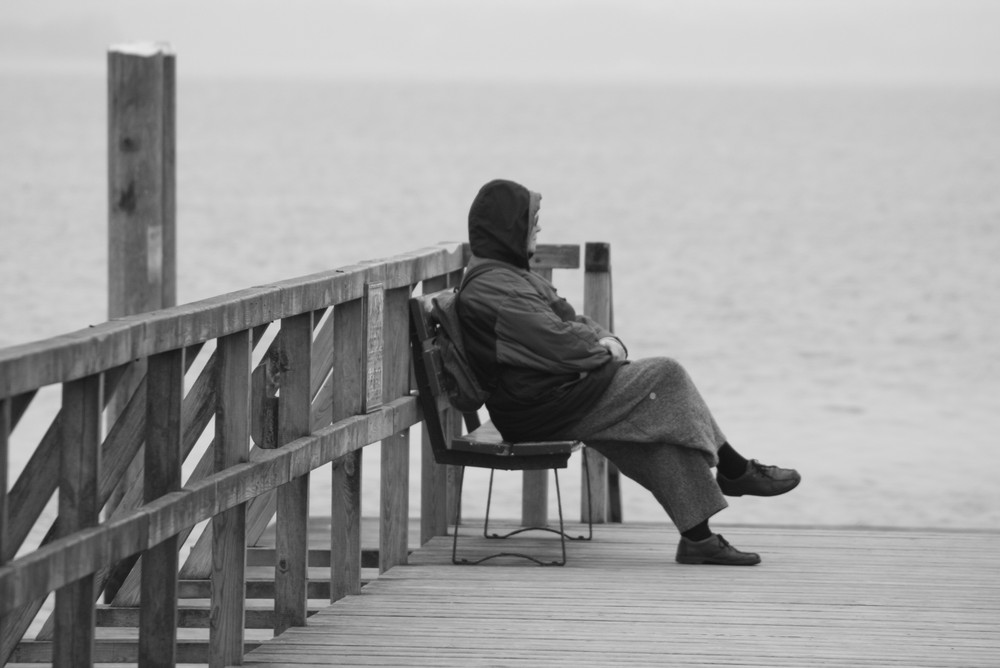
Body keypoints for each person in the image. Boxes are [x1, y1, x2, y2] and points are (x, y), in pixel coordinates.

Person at [456, 178, 801, 566]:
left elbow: (572, 319)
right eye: (531, 220)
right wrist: (602, 349)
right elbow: (560, 343)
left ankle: (698, 539)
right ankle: (735, 469)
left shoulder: (509, 277)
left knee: (656, 434)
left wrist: (606, 342)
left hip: (555, 397)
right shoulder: (496, 289)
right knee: (666, 375)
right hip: (539, 408)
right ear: (508, 227)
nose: (538, 227)